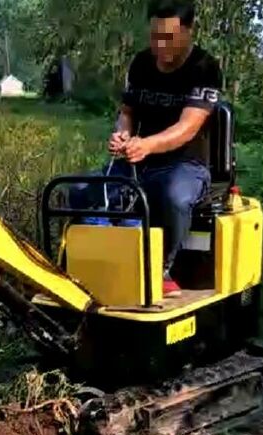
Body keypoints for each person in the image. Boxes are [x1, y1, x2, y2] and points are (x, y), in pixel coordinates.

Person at [75, 0, 223, 298]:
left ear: (189, 31)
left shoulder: (205, 69)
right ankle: (90, 267)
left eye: (168, 38)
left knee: (173, 196)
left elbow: (188, 128)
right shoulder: (141, 63)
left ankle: (162, 270)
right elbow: (127, 112)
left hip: (186, 165)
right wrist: (122, 135)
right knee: (81, 189)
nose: (159, 45)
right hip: (138, 161)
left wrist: (147, 145)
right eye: (154, 36)